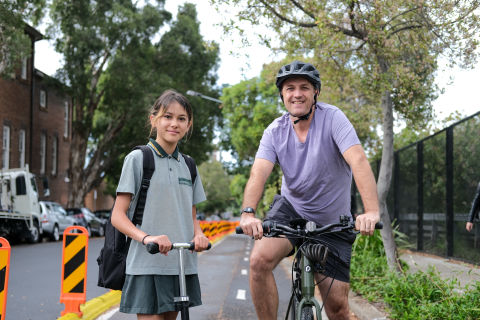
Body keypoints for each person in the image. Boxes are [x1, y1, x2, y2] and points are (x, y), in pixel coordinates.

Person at [239, 60, 380, 320]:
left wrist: (370, 211)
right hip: (291, 213)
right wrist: (248, 213)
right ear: (282, 94)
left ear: (316, 92)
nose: (297, 93)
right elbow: (259, 172)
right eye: (290, 88)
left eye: (304, 87)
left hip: (332, 221)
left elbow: (358, 160)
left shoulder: (333, 118)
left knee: (337, 307)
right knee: (259, 261)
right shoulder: (274, 131)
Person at [111, 89, 210, 320]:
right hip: (147, 263)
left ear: (188, 124)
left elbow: (191, 215)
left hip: (180, 265)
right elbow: (117, 215)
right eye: (167, 116)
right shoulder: (138, 159)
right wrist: (148, 238)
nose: (174, 123)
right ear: (153, 119)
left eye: (181, 118)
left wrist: (199, 235)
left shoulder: (189, 165)